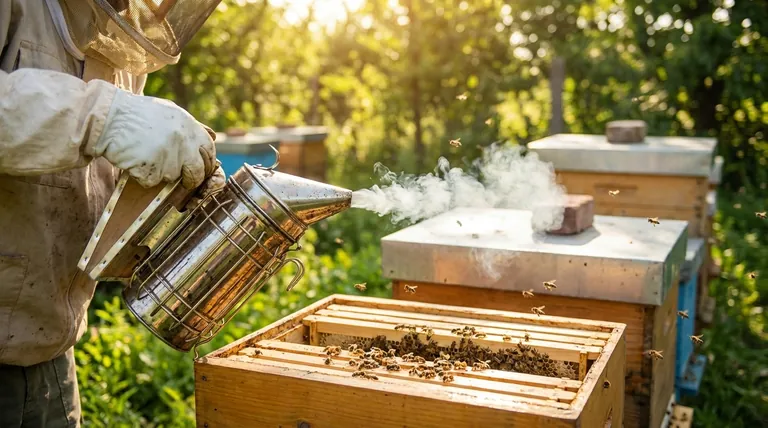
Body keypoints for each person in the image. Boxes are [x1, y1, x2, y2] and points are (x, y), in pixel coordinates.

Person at [0, 1, 224, 426]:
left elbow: (91, 175)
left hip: (52, 358)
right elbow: (94, 121)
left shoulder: (124, 40)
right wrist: (103, 119)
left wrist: (168, 186)